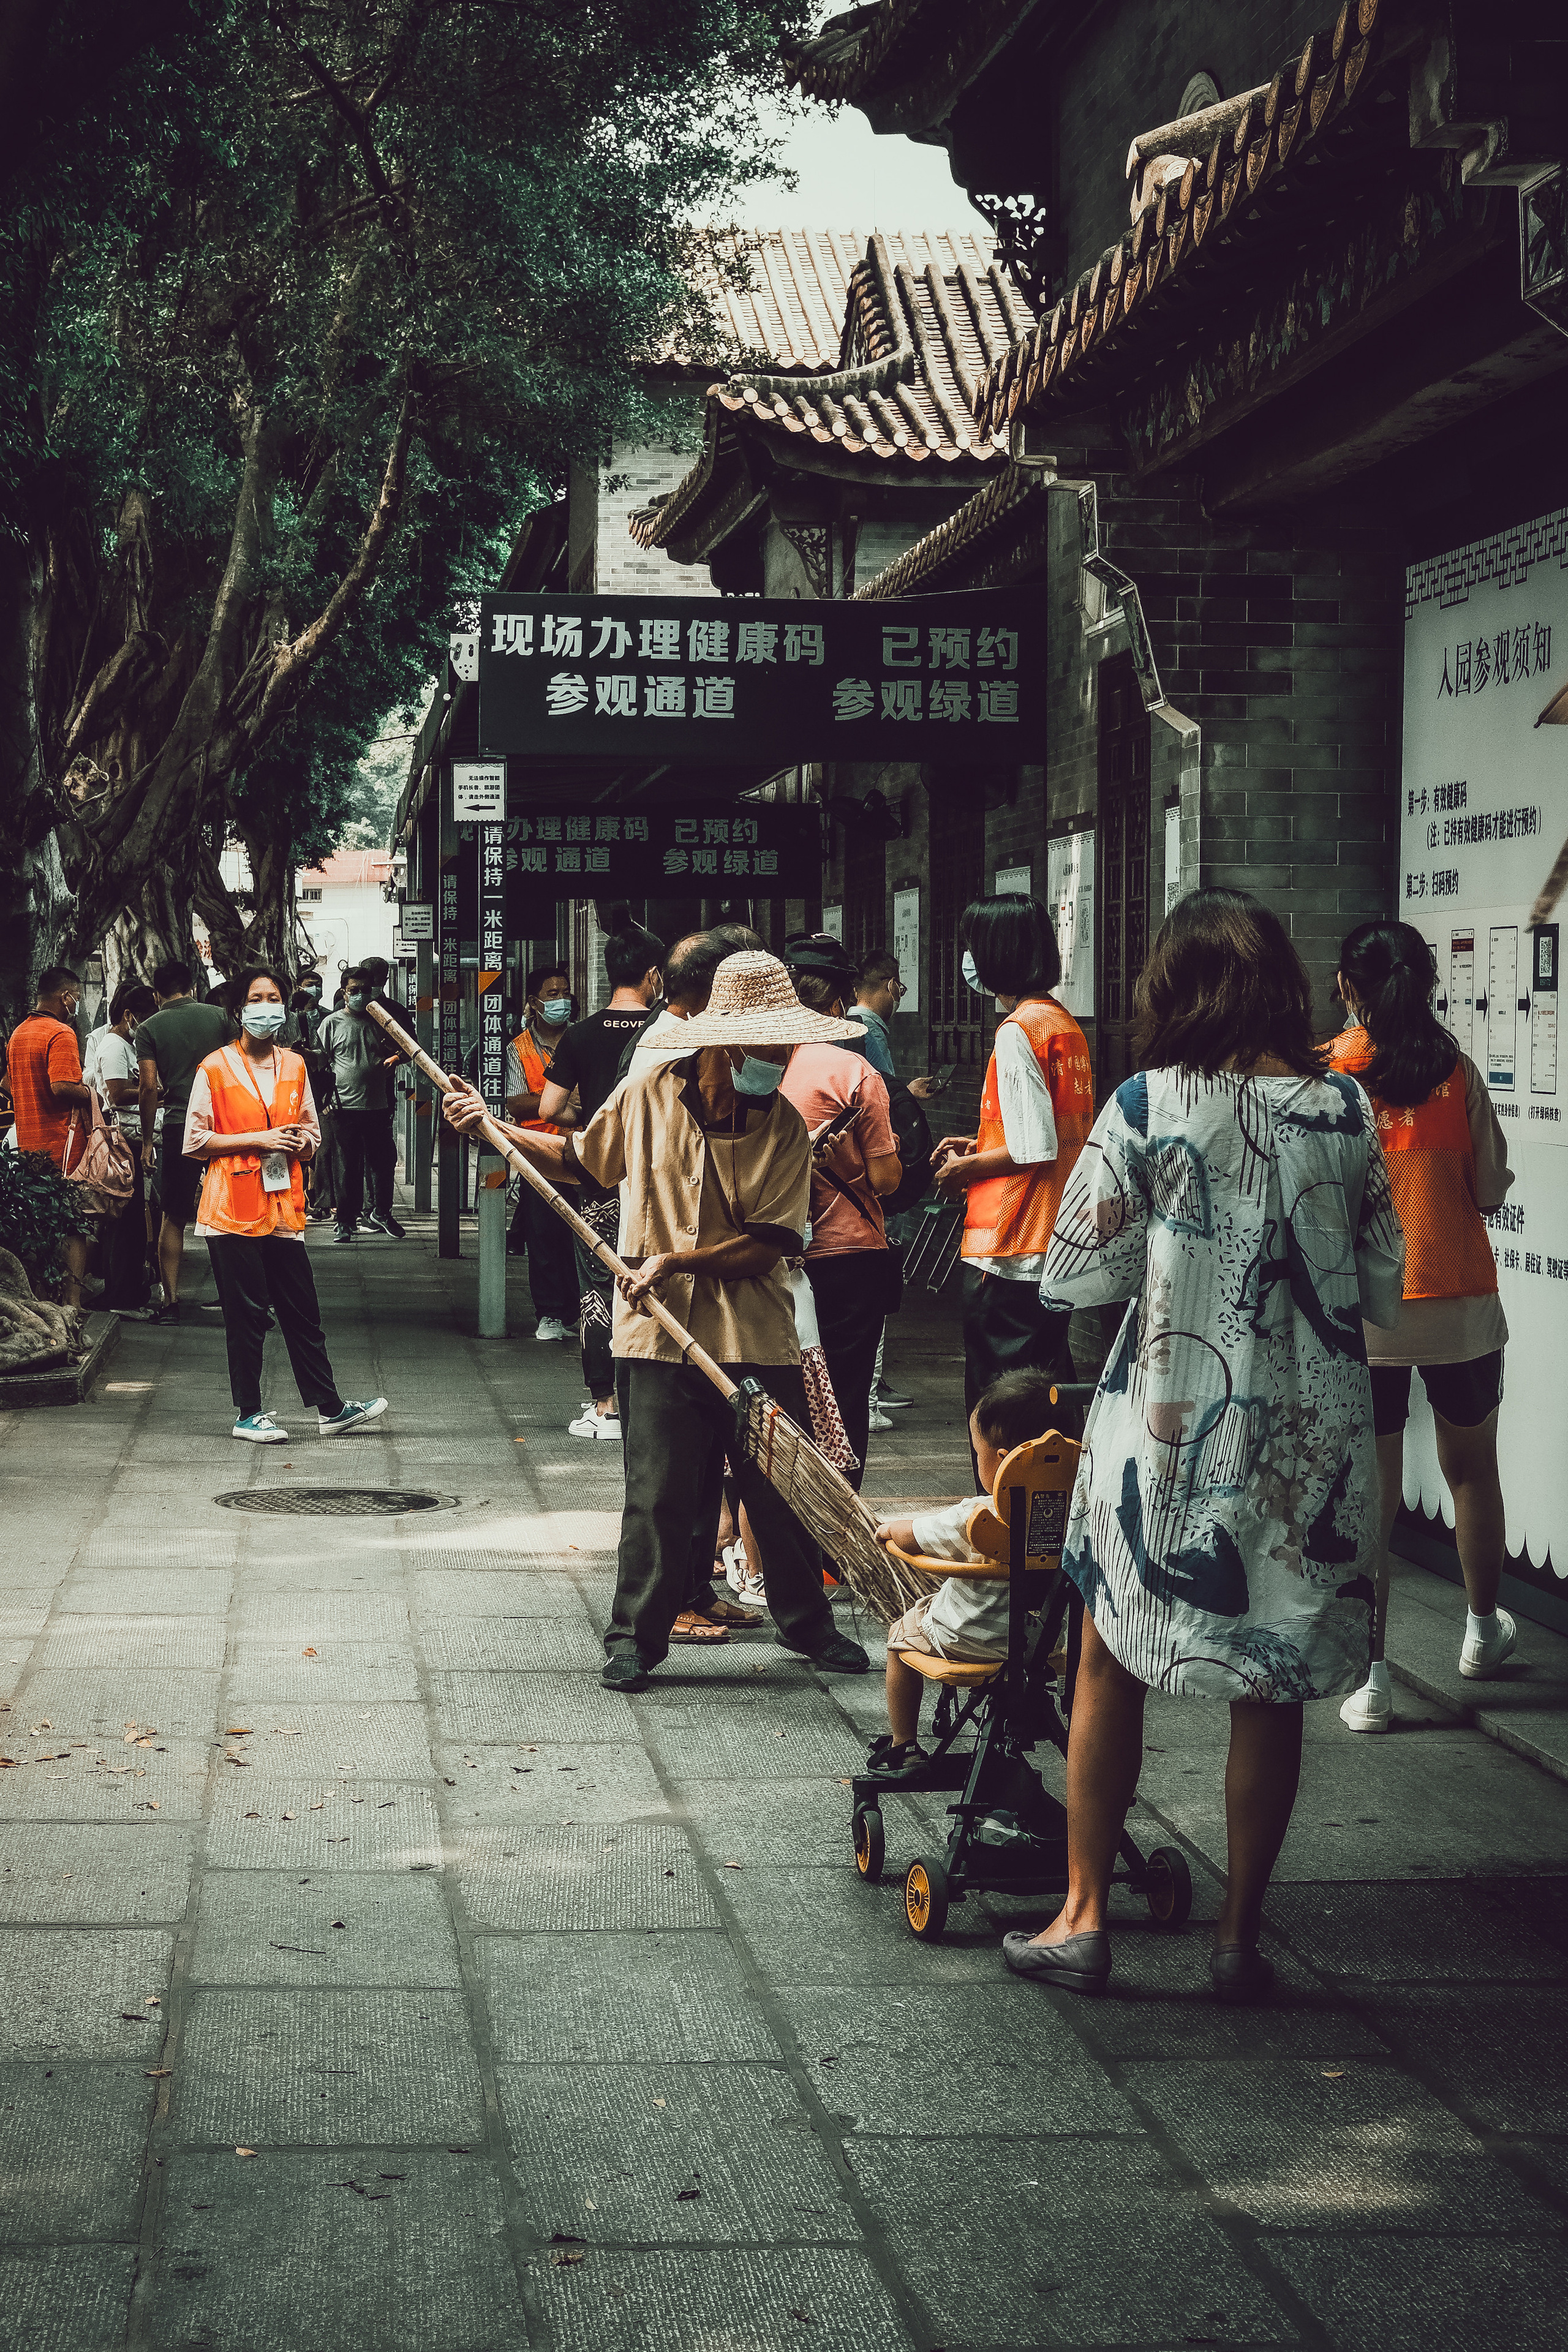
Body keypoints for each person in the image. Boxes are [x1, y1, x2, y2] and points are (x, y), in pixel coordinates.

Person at [1003, 888, 1404, 2003]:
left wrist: (1176, 1252)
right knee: (1268, 1680)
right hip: (1309, 1443)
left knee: (1106, 1656)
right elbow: (1383, 1279)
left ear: (1175, 989)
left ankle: (1082, 1920)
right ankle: (1238, 1941)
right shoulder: (1346, 1112)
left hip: (1166, 1435)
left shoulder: (1146, 1107)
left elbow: (1072, 1273)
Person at [445, 949, 872, 1691]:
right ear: (725, 1044)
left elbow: (770, 1243)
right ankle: (635, 1638)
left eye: (786, 1044)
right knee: (658, 1492)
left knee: (778, 1487)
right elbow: (584, 1160)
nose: (783, 1058)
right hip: (658, 1336)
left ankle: (809, 1626)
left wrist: (676, 1262)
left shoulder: (785, 1132)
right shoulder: (646, 1094)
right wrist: (494, 1130)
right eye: (771, 1045)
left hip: (754, 1335)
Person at [1327, 921, 1518, 1727]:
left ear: (1347, 988)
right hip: (1457, 1305)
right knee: (1471, 1471)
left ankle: (1371, 1682)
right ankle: (1481, 1632)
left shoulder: (1330, 1075)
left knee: (1371, 1496)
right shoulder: (1457, 1071)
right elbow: (1489, 1192)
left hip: (1365, 1314)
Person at [184, 963, 388, 1443]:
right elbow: (194, 1140)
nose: (267, 1008)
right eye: (257, 999)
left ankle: (330, 1408)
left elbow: (313, 1133)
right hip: (232, 1207)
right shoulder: (214, 1067)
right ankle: (248, 1413)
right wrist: (261, 1138)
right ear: (238, 1010)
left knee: (302, 1308)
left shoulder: (295, 1064)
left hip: (281, 1205)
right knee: (247, 1312)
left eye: (274, 998)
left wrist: (302, 1145)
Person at [930, 895, 1093, 1472]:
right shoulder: (1061, 1023)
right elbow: (1047, 1138)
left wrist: (964, 1169)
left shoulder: (1017, 1030)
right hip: (1056, 1234)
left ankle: (1006, 1509)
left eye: (973, 946)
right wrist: (978, 1148)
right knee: (1046, 1387)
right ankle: (1056, 1508)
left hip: (1014, 1241)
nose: (968, 959)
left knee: (1002, 1399)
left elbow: (1033, 1147)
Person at [870, 1368, 1058, 1768]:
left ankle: (904, 1743)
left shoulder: (978, 1518)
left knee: (902, 1635)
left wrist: (888, 1528)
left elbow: (913, 1536)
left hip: (967, 1639)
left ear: (1006, 1462)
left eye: (978, 1454)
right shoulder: (1080, 1513)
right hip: (1047, 1643)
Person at [537, 913, 665, 1441]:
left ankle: (605, 1406)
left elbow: (550, 1106)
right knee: (655, 1282)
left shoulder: (580, 1034)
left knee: (598, 1289)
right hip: (656, 1180)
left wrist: (589, 1122)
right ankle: (653, 1401)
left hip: (598, 1178)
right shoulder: (667, 1032)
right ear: (655, 975)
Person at [778, 967, 898, 1492]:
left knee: (784, 1391)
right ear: (835, 1010)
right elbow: (886, 1178)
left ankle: (763, 1526)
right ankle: (835, 1531)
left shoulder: (755, 1068)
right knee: (844, 1395)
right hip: (848, 1254)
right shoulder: (853, 1071)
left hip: (771, 1253)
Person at [135, 960, 235, 1323]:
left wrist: (148, 1141)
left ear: (157, 991)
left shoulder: (147, 1028)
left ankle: (171, 1302)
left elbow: (148, 1087)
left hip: (180, 1126)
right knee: (228, 1214)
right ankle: (235, 1298)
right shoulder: (220, 1018)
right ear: (191, 985)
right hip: (225, 1125)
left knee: (174, 1217)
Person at [6, 964, 92, 1306]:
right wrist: (91, 1094)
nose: (78, 1006)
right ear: (66, 997)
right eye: (77, 999)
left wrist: (30, 1099)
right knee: (74, 1228)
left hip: (29, 1147)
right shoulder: (60, 1034)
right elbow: (61, 1087)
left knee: (40, 1228)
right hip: (63, 1148)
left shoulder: (19, 1033)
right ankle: (71, 1307)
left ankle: (42, 1302)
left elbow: (6, 1085)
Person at [504, 963, 579, 1341]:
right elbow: (516, 1104)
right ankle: (549, 1313)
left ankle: (578, 1311)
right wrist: (559, 1100)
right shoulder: (518, 1048)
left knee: (583, 1235)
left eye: (565, 993)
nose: (561, 1000)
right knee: (545, 1236)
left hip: (581, 1152)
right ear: (533, 1003)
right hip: (537, 1156)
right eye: (552, 994)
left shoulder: (581, 1040)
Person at [317, 964, 405, 1243]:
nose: (360, 996)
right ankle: (345, 1221)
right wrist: (324, 1100)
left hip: (378, 1106)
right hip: (344, 1108)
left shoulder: (383, 1022)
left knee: (383, 1162)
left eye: (365, 991)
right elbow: (319, 1065)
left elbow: (409, 1049)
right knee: (348, 1165)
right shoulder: (332, 1023)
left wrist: (397, 1057)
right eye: (354, 991)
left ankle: (382, 1212)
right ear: (344, 992)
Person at [86, 980, 159, 1311]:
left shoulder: (131, 1045)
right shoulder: (115, 1046)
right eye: (144, 1018)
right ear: (129, 1015)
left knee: (129, 1222)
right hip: (123, 1140)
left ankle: (125, 1288)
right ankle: (121, 1293)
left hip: (134, 1137)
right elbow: (117, 1093)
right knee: (125, 1222)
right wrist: (157, 1092)